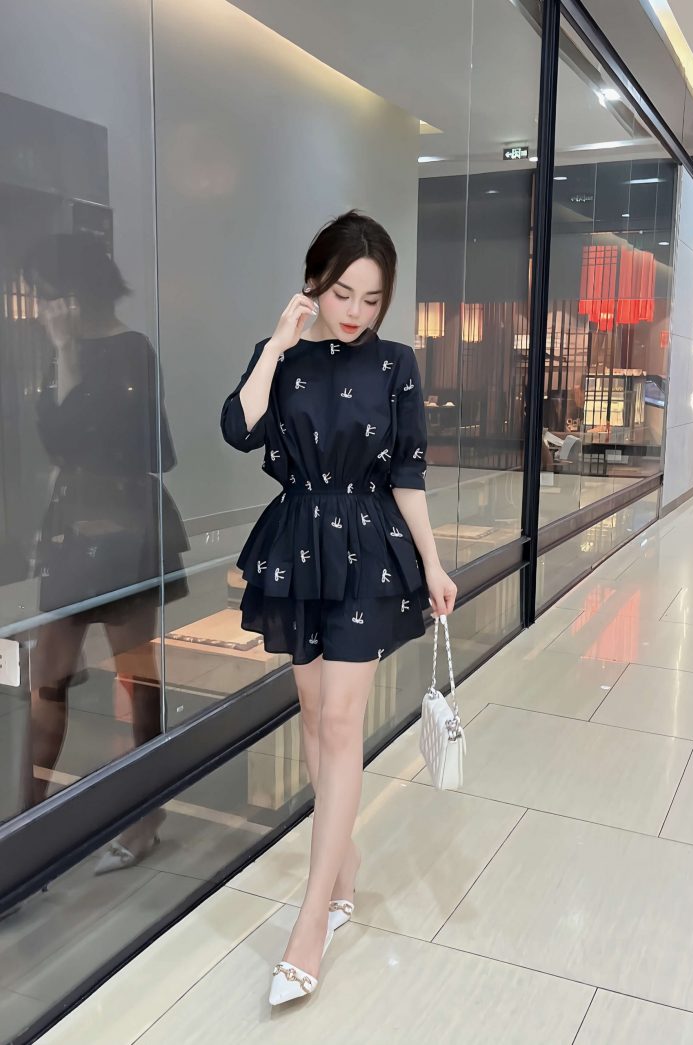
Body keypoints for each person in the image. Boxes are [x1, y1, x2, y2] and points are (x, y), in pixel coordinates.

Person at [220, 210, 457, 1005]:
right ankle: (343, 866)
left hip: (366, 551)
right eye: (341, 292)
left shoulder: (395, 364)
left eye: (372, 298)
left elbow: (407, 474)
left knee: (343, 722)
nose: (355, 311)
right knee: (316, 720)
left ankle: (311, 919)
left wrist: (433, 562)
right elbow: (238, 427)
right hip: (296, 544)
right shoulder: (282, 355)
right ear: (314, 283)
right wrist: (276, 343)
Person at [21, 231, 189, 871]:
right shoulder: (66, 351)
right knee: (47, 678)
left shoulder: (131, 350)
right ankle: (26, 829)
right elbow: (57, 440)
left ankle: (148, 814)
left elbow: (147, 448)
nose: (43, 307)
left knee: (136, 678)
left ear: (77, 291)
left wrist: (69, 361)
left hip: (124, 533)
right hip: (73, 534)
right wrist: (64, 354)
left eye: (48, 294)